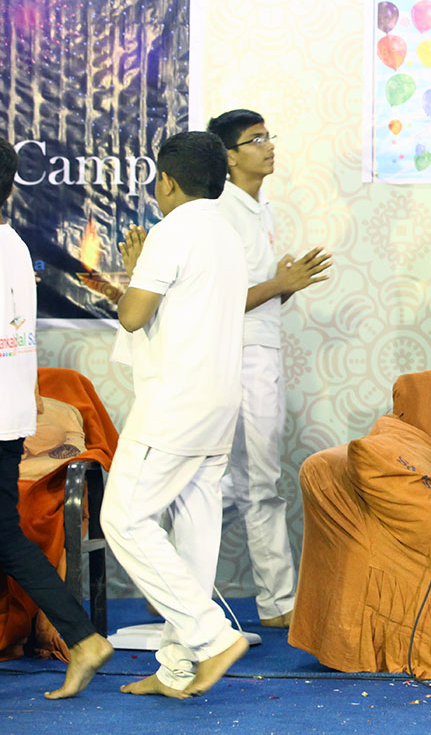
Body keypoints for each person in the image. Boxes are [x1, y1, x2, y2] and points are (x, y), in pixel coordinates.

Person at [100, 131, 250, 698]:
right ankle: (179, 666)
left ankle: (211, 637)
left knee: (124, 519)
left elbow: (133, 316)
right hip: (218, 401)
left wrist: (136, 269)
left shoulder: (172, 230)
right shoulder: (228, 233)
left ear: (165, 181)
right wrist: (145, 269)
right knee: (194, 530)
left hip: (176, 403)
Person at [205, 109, 332, 628]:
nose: (269, 146)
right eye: (256, 140)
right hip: (236, 355)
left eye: (268, 136)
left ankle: (169, 577)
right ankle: (278, 601)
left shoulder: (263, 209)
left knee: (240, 484)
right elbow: (216, 299)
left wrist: (285, 285)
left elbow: (260, 294)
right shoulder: (221, 213)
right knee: (257, 483)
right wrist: (281, 284)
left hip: (261, 350)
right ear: (229, 157)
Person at [0, 136, 113, 699]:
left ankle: (83, 636)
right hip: (10, 412)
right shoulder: (14, 245)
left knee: (5, 533)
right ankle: (82, 636)